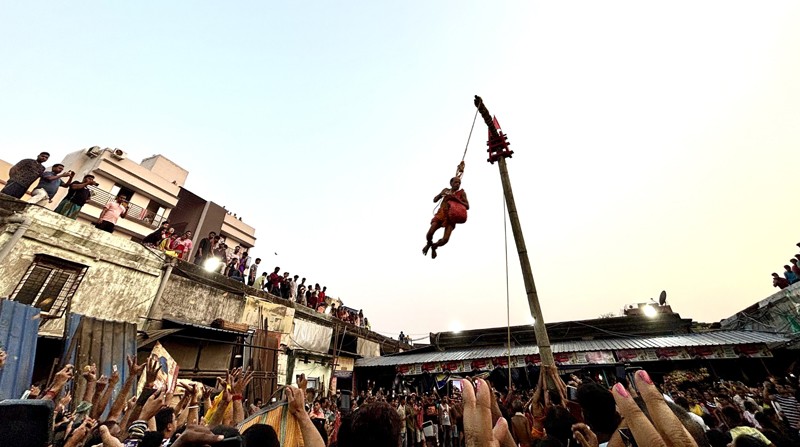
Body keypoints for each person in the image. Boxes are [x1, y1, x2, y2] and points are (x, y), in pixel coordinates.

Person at [422, 176, 469, 259]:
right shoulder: (446, 190)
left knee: (445, 240)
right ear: (451, 183)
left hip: (452, 216)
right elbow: (435, 200)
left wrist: (457, 199)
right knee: (430, 233)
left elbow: (467, 206)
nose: (457, 184)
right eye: (455, 182)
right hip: (441, 213)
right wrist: (441, 194)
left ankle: (434, 246)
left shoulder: (461, 193)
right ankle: (429, 243)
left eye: (459, 183)